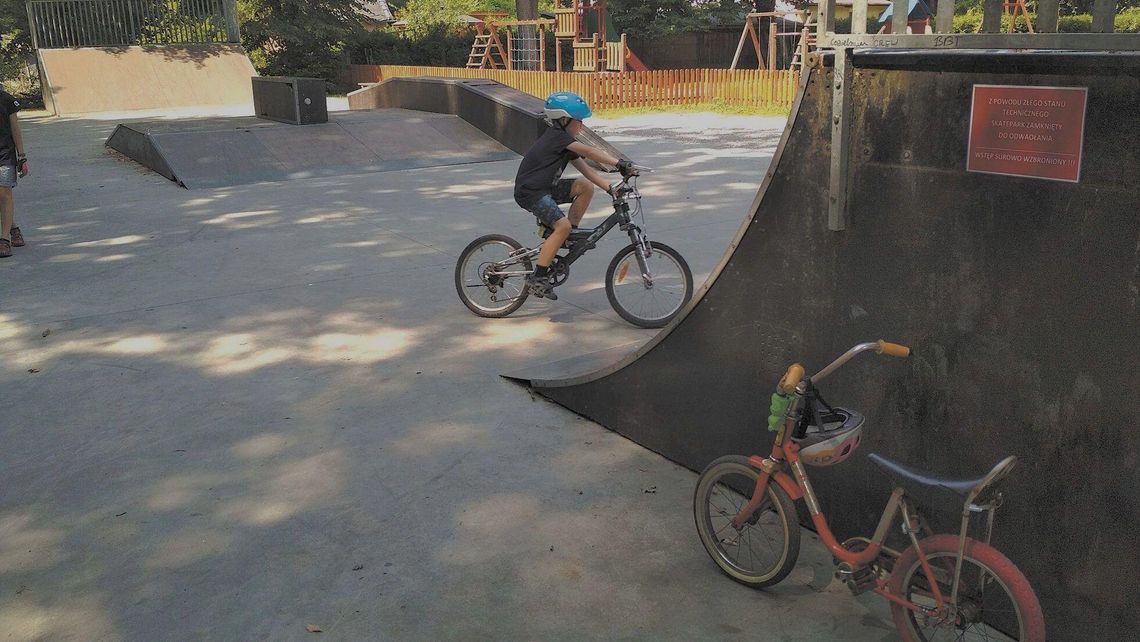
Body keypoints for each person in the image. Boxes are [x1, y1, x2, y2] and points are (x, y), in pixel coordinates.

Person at [514, 91, 633, 300]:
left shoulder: (565, 142)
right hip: (530, 192)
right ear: (564, 120)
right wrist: (619, 162)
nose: (582, 126)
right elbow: (589, 151)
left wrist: (610, 188)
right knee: (562, 226)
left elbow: (587, 169)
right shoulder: (557, 137)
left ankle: (568, 237)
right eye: (579, 121)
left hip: (546, 188)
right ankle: (538, 277)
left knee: (585, 187)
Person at [0, 88, 28, 259]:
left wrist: (22, 156)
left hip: (4, 154)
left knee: (4, 194)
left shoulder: (7, 100)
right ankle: (13, 228)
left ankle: (3, 240)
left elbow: (15, 128)